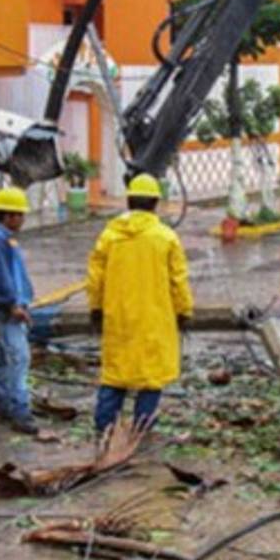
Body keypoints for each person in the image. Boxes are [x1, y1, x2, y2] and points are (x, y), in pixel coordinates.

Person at [87, 173, 193, 435]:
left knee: (115, 373)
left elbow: (95, 278)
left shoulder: (110, 236)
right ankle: (142, 428)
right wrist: (184, 311)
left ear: (129, 201)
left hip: (118, 317)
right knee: (150, 376)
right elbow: (178, 280)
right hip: (154, 320)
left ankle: (105, 427)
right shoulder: (166, 238)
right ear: (155, 202)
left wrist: (96, 309)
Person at [0, 187, 38, 435]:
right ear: (8, 216)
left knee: (6, 358)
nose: (23, 220)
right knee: (19, 358)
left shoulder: (3, 239)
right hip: (7, 309)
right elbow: (2, 277)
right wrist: (13, 304)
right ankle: (19, 410)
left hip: (10, 305)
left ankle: (4, 404)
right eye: (20, 215)